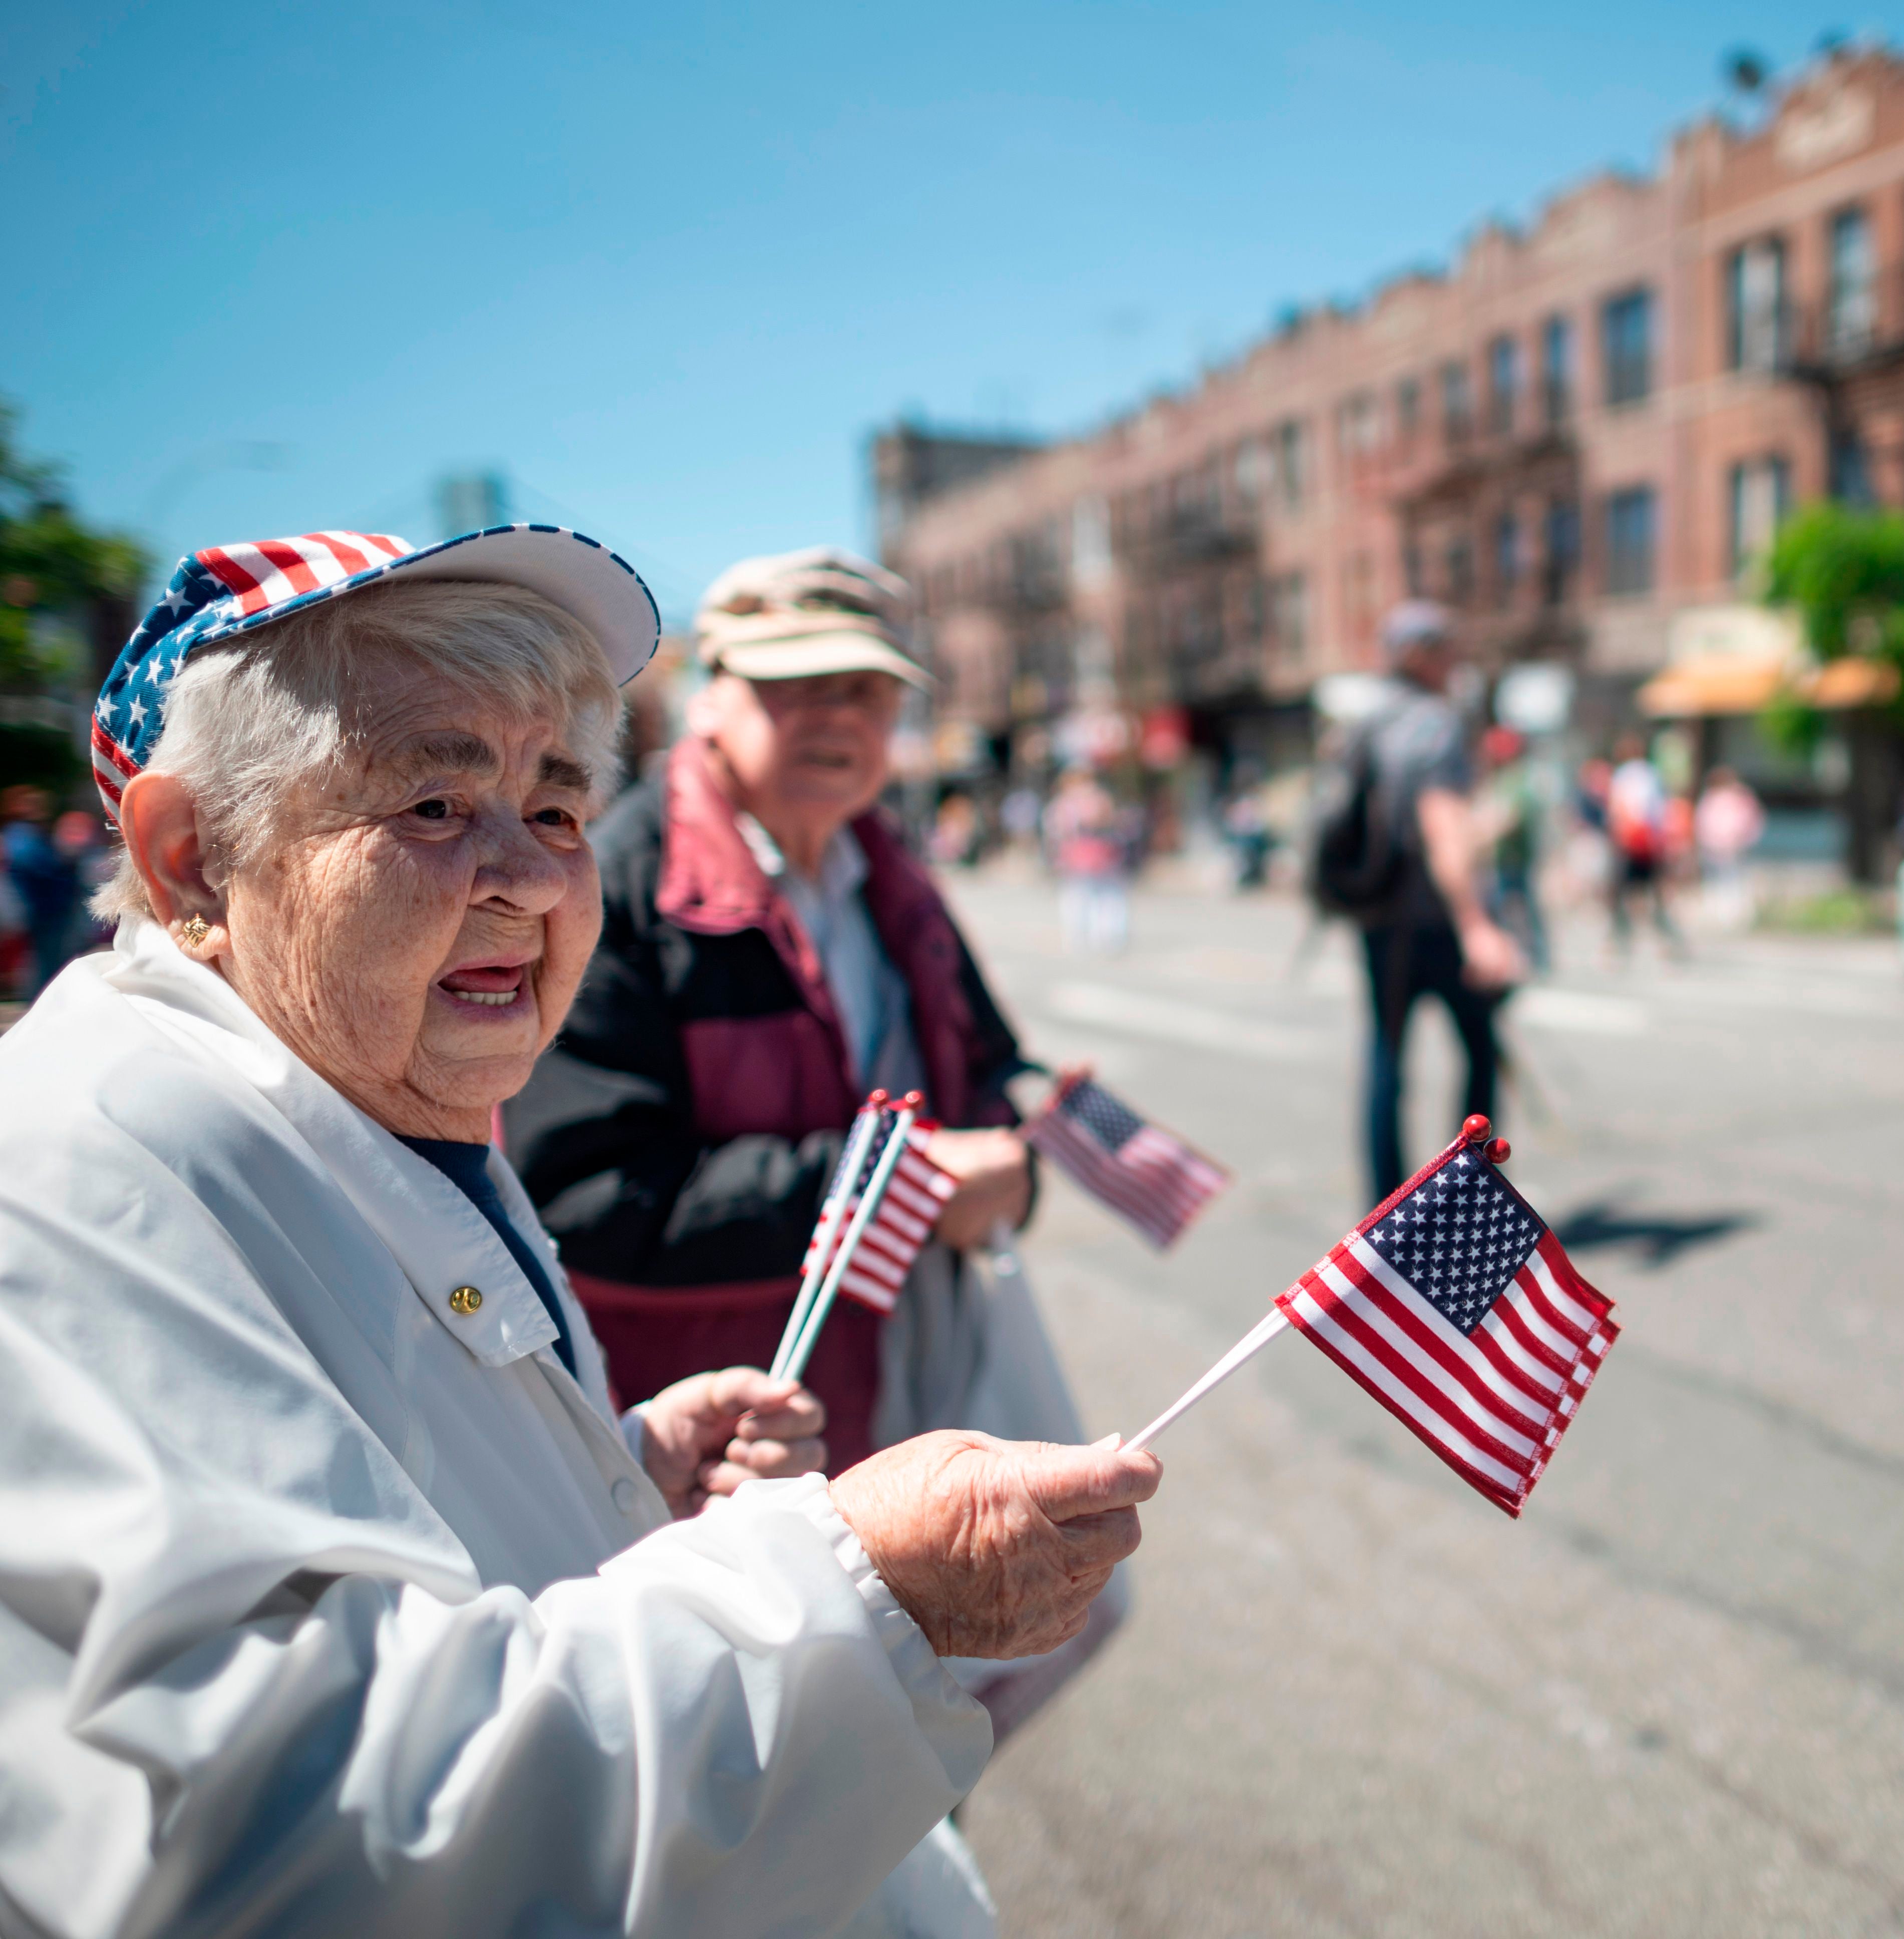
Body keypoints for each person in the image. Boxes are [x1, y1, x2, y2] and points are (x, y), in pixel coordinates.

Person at [0, 525, 1160, 1934]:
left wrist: (614, 1490)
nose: (539, 879)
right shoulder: (73, 1173)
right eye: (434, 803)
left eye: (555, 808)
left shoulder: (363, 1094)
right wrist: (850, 1584)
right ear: (191, 861)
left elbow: (400, 1535)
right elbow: (278, 1841)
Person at [506, 548, 1120, 1740]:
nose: (841, 717)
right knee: (735, 1758)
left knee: (898, 1735)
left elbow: (986, 1070)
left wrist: (1021, 1143)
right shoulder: (617, 879)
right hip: (725, 1427)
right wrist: (900, 1186)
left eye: (871, 690)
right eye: (800, 684)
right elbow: (581, 1192)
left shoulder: (892, 873)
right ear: (714, 690)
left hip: (904, 1374)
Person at [1351, 602, 1519, 1204]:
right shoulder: (1437, 724)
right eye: (1447, 648)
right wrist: (1477, 925)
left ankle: (1384, 1212)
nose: (1457, 659)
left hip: (1376, 919)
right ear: (1421, 656)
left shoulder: (1366, 722)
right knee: (1478, 1051)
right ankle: (1468, 1199)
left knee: (1386, 1059)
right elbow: (1442, 824)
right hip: (1437, 922)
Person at [1474, 725, 1549, 970]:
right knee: (1515, 905)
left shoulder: (1516, 779)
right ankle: (1530, 953)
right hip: (1504, 856)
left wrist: (1482, 836)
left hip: (1514, 856)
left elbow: (1510, 816)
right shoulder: (1502, 778)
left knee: (1509, 905)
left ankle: (1531, 955)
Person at [1604, 730, 1682, 959]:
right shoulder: (1652, 774)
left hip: (1630, 842)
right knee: (1655, 896)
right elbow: (1660, 811)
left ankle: (1619, 944)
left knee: (1621, 896)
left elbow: (1618, 811)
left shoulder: (1624, 776)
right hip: (1650, 843)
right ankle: (1668, 942)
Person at [3, 782, 79, 995]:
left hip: (47, 908)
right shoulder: (20, 833)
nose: (39, 808)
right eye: (32, 803)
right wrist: (66, 862)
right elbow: (39, 865)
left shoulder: (32, 833)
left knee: (49, 961)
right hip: (42, 909)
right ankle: (41, 1003)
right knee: (45, 963)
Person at [1046, 763, 1130, 953]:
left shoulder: (1071, 802)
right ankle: (1101, 937)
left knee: (1084, 897)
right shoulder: (1097, 799)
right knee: (1095, 897)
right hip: (1094, 854)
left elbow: (1057, 831)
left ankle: (1093, 937)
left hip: (1084, 854)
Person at [1694, 765, 1765, 929]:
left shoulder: (1736, 797)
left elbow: (1750, 820)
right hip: (1722, 844)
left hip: (1728, 844)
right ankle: (1725, 914)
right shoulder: (1726, 797)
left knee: (1726, 879)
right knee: (1725, 879)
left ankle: (1730, 915)